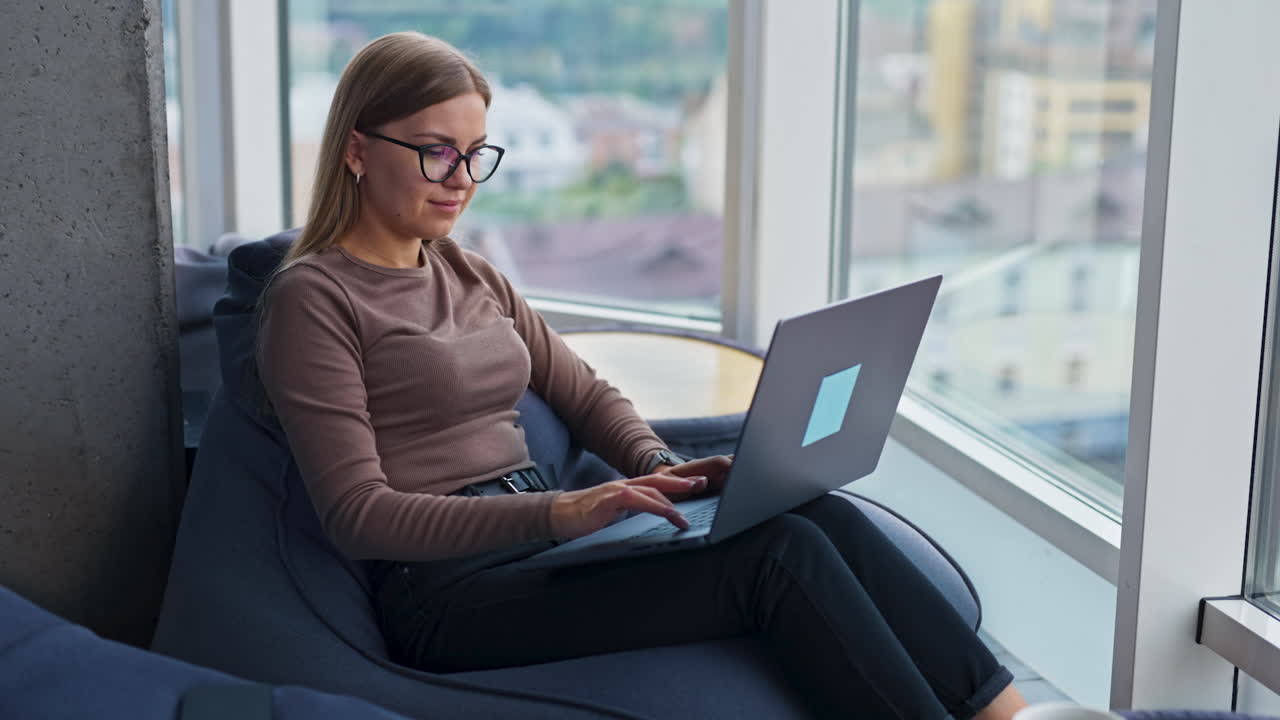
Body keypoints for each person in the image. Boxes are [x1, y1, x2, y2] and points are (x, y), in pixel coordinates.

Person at [257, 31, 1028, 719]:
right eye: (436, 150)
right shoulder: (313, 300)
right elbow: (358, 513)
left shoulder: (470, 272)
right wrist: (560, 513)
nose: (460, 177)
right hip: (452, 593)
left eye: (475, 154)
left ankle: (1011, 713)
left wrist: (662, 471)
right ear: (357, 150)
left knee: (820, 515)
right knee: (776, 561)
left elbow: (586, 393)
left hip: (547, 548)